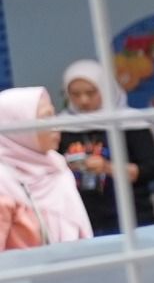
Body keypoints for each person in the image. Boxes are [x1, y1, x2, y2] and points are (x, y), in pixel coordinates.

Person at [60, 59, 154, 235]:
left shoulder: (130, 123)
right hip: (84, 221)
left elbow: (150, 170)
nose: (83, 100)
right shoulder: (61, 127)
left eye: (91, 93)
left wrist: (107, 168)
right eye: (75, 94)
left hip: (133, 216)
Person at [0, 87, 92, 246]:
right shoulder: (3, 181)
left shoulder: (57, 167)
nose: (56, 125)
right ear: (17, 126)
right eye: (45, 117)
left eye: (53, 114)